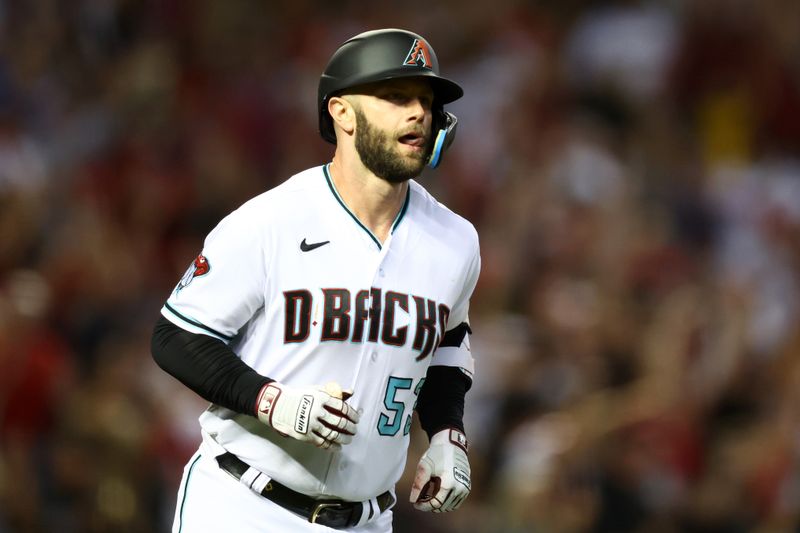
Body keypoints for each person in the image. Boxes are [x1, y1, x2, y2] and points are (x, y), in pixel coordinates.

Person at [151, 28, 480, 532]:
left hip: (367, 519)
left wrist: (446, 433)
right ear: (341, 111)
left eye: (426, 100)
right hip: (243, 503)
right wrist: (270, 400)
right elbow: (175, 337)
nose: (418, 112)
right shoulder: (270, 221)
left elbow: (448, 343)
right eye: (395, 97)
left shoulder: (455, 241)